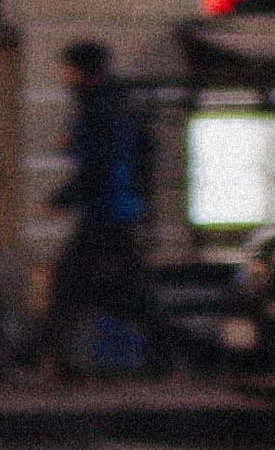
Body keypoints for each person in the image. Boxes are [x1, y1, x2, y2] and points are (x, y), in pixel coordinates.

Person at [38, 37, 176, 378]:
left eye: (69, 68)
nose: (65, 75)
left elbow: (98, 165)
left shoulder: (101, 107)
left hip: (106, 212)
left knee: (70, 286)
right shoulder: (110, 102)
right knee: (125, 289)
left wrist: (61, 200)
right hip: (115, 209)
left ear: (84, 71)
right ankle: (160, 358)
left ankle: (55, 361)